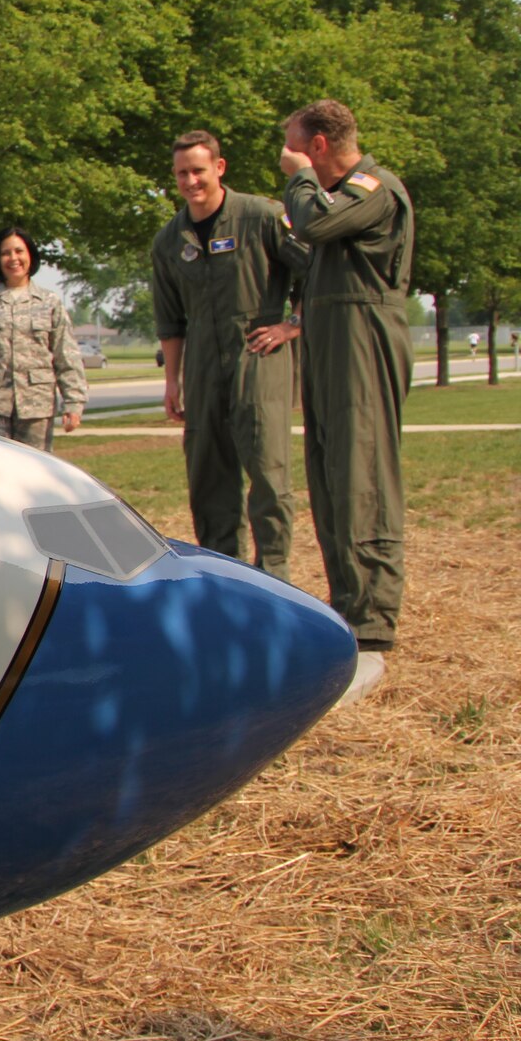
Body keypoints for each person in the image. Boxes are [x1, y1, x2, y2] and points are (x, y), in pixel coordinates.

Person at [279, 99, 414, 696]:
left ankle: (374, 628)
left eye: (293, 145)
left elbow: (312, 226)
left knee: (364, 478)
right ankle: (348, 618)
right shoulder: (338, 198)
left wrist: (300, 179)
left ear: (318, 146)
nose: (285, 155)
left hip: (364, 341)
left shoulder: (373, 188)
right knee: (332, 480)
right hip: (331, 346)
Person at [150, 131, 309, 580]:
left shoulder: (262, 217)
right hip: (201, 366)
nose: (190, 181)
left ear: (219, 168)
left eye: (198, 170)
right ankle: (229, 579)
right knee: (209, 481)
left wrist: (290, 325)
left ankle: (274, 578)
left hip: (257, 358)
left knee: (269, 476)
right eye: (181, 173)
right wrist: (173, 382)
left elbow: (317, 270)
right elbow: (170, 322)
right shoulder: (168, 241)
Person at [0, 228, 85, 449]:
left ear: (30, 255)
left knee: (35, 474)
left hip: (36, 406)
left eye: (19, 251)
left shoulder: (49, 302)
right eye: (5, 253)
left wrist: (73, 401)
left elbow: (66, 355)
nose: (13, 259)